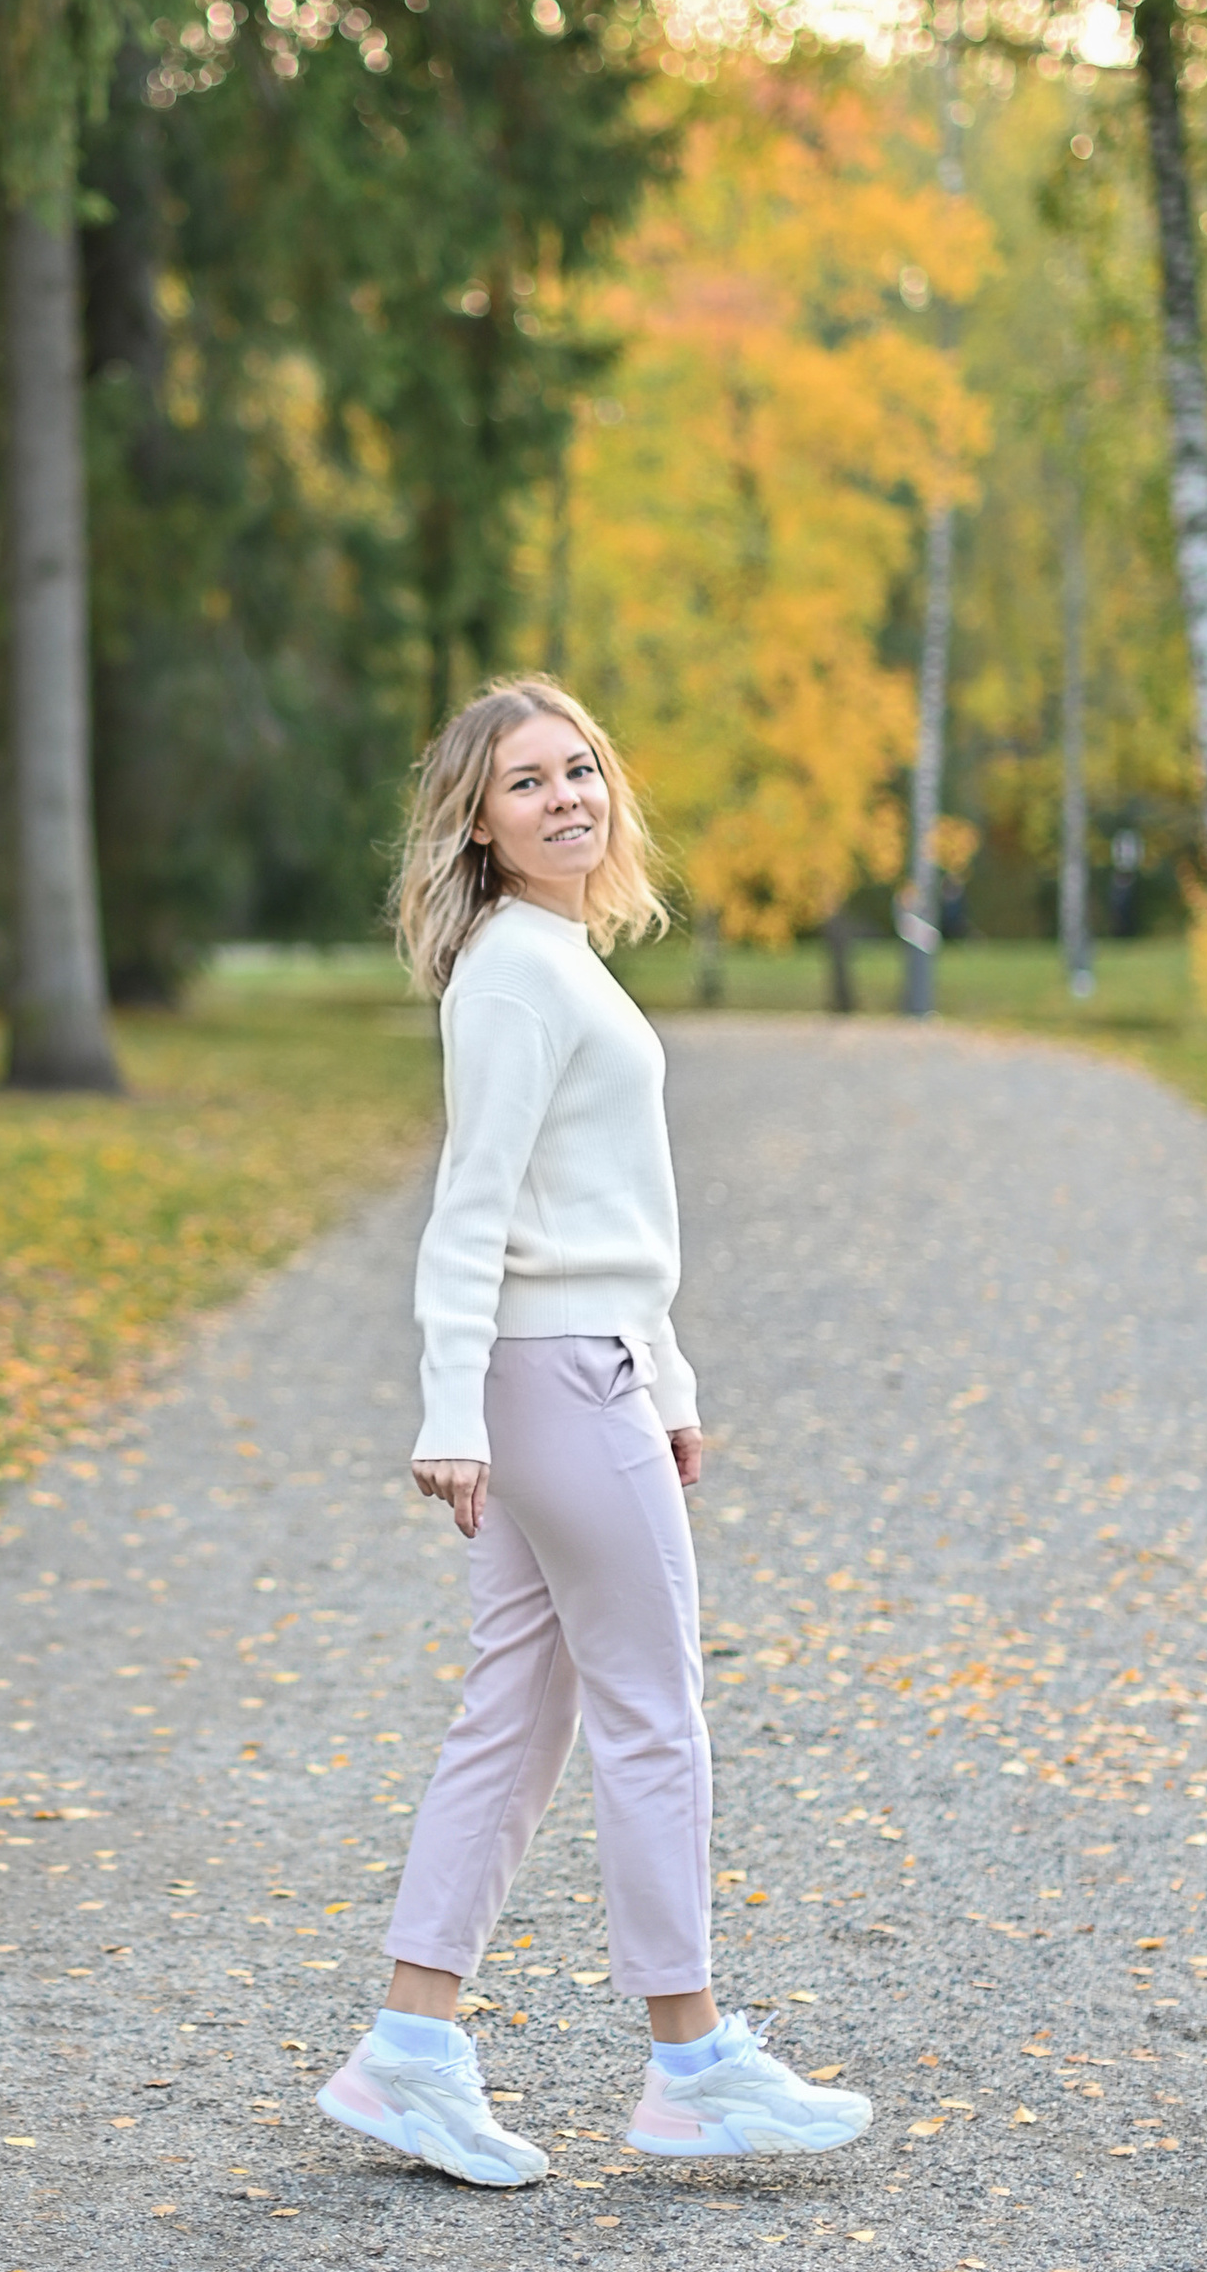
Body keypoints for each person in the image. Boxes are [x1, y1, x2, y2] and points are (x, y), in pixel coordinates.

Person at [318, 677, 872, 2187]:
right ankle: (692, 2063)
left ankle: (410, 2048)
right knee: (652, 1709)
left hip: (586, 1362)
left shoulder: (556, 958)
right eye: (526, 783)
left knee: (525, 1707)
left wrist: (673, 1374)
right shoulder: (515, 973)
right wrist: (450, 1411)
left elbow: (610, 1202)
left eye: (581, 770)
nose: (567, 797)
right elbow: (473, 1207)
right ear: (478, 826)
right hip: (556, 1376)